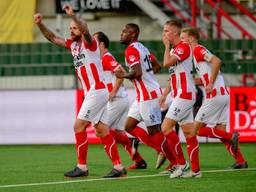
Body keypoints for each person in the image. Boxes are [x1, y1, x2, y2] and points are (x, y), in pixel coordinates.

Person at [34, 3, 127, 178]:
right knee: (101, 130)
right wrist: (40, 24)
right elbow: (53, 38)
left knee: (78, 126)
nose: (71, 30)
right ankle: (119, 167)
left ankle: (82, 167)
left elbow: (85, 29)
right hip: (95, 92)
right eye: (70, 28)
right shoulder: (73, 46)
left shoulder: (89, 44)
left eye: (74, 28)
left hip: (97, 90)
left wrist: (73, 16)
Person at [115, 23, 181, 173]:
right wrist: (148, 77)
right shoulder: (142, 48)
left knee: (154, 131)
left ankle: (176, 163)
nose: (121, 34)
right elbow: (156, 65)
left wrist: (123, 75)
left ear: (133, 35)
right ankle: (161, 150)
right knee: (129, 126)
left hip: (148, 95)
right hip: (143, 94)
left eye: (125, 31)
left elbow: (137, 72)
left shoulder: (131, 49)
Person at [180, 27, 248, 169]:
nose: (181, 41)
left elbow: (217, 61)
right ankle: (241, 161)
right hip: (223, 95)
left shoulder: (198, 49)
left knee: (195, 130)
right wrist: (198, 81)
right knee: (220, 132)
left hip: (215, 95)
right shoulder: (195, 54)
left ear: (191, 38)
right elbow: (206, 74)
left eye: (183, 38)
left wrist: (210, 83)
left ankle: (231, 136)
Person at [93, 31, 147, 170]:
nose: (92, 45)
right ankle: (139, 161)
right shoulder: (101, 59)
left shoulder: (106, 57)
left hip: (116, 100)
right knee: (117, 133)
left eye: (94, 42)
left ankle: (131, 141)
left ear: (102, 44)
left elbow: (120, 72)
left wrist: (112, 92)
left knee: (100, 130)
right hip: (120, 100)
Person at [161, 20, 201, 178]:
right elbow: (171, 73)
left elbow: (166, 63)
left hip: (185, 94)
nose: (164, 34)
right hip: (180, 95)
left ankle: (181, 164)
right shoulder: (175, 49)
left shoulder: (183, 46)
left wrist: (165, 47)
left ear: (175, 33)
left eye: (167, 31)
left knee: (165, 127)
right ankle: (196, 171)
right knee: (189, 133)